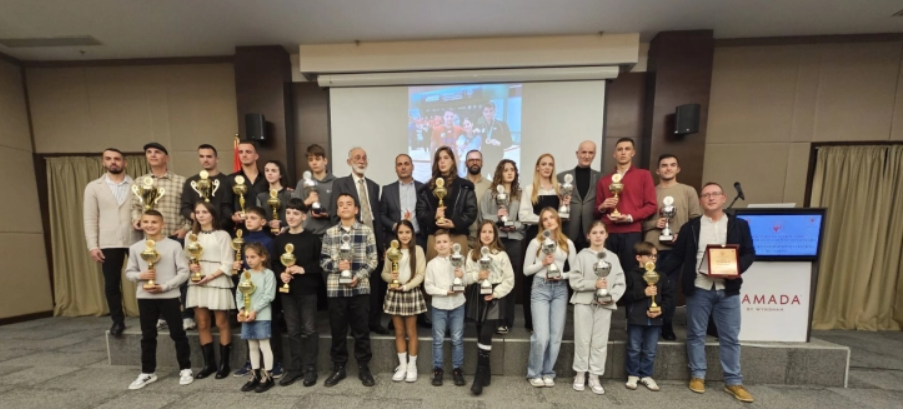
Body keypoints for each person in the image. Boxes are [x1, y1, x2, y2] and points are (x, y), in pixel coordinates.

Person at [659, 182, 756, 403]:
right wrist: (656, 273)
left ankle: (733, 381)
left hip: (728, 289)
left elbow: (749, 253)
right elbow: (677, 256)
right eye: (706, 195)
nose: (711, 198)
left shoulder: (739, 225)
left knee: (730, 337)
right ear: (701, 201)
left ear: (723, 198)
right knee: (696, 333)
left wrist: (735, 269)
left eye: (715, 194)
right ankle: (697, 375)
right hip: (699, 288)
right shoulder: (690, 227)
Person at [124, 210, 193, 389]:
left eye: (154, 222)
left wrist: (165, 286)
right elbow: (129, 272)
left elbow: (184, 272)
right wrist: (141, 275)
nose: (150, 225)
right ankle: (148, 372)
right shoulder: (135, 248)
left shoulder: (174, 246)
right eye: (146, 222)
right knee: (148, 335)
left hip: (169, 296)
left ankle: (185, 368)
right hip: (145, 297)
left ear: (163, 224)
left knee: (177, 333)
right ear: (141, 224)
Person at [131, 142, 192, 331]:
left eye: (157, 152)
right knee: (155, 274)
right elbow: (135, 207)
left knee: (181, 276)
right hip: (150, 241)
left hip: (174, 235)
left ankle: (186, 315)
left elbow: (187, 207)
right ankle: (161, 316)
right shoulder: (139, 182)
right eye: (149, 152)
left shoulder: (181, 182)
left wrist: (186, 228)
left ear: (167, 157)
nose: (153, 155)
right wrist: (136, 219)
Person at [319, 193, 379, 387]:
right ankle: (338, 367)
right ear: (337, 210)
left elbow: (373, 260)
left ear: (356, 209)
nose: (345, 207)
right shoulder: (330, 233)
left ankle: (364, 367)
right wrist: (338, 266)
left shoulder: (366, 231)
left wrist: (358, 276)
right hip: (336, 290)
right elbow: (323, 261)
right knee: (338, 331)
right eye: (341, 204)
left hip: (360, 288)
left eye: (349, 204)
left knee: (361, 330)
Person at [643, 154, 702, 340]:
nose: (668, 168)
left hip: (675, 249)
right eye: (664, 165)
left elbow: (696, 219)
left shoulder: (688, 191)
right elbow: (640, 222)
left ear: (678, 169)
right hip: (652, 247)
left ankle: (666, 324)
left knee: (669, 287)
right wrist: (655, 223)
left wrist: (681, 236)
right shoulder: (649, 192)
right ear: (657, 170)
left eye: (672, 165)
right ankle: (647, 323)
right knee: (650, 285)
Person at [83, 148, 140, 336]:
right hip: (108, 241)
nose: (113, 162)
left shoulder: (137, 185)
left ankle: (153, 317)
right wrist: (93, 245)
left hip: (136, 239)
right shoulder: (93, 187)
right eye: (108, 159)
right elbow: (90, 218)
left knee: (145, 279)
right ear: (103, 162)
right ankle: (117, 321)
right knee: (112, 283)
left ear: (125, 163)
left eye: (117, 159)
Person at [331, 147, 388, 335]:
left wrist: (381, 244)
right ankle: (355, 326)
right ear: (349, 162)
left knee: (374, 285)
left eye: (364, 157)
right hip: (350, 241)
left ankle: (374, 322)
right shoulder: (340, 183)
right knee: (353, 285)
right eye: (357, 157)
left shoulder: (373, 186)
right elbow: (334, 214)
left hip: (372, 240)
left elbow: (376, 217)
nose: (361, 160)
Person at [569, 220, 625, 395]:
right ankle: (580, 373)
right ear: (588, 236)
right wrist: (593, 284)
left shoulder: (613, 257)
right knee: (583, 339)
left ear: (607, 235)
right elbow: (574, 280)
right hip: (583, 302)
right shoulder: (582, 256)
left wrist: (611, 297)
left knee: (600, 341)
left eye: (601, 232)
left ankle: (595, 375)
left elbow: (620, 282)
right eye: (594, 233)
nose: (598, 236)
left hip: (604, 304)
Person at [523, 208, 578, 388]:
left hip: (560, 290)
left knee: (555, 336)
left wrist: (562, 276)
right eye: (545, 219)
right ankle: (534, 373)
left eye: (551, 217)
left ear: (558, 219)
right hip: (540, 288)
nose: (549, 221)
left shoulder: (567, 243)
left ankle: (548, 372)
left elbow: (576, 271)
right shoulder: (535, 242)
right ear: (541, 223)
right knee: (541, 336)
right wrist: (543, 263)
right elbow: (526, 270)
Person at [185, 201, 236, 380]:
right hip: (197, 281)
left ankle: (224, 364)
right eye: (198, 212)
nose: (200, 215)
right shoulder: (190, 235)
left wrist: (210, 276)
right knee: (202, 323)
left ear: (212, 214)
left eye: (204, 212)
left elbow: (228, 262)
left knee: (221, 322)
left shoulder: (222, 235)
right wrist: (191, 266)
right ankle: (209, 364)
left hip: (217, 280)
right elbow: (186, 259)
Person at [275, 198, 323, 387]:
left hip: (307, 291)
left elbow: (321, 264)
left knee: (310, 329)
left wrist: (303, 269)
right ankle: (295, 368)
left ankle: (311, 368)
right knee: (293, 330)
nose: (291, 217)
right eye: (288, 213)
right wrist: (281, 274)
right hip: (287, 292)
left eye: (296, 213)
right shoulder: (280, 239)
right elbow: (274, 262)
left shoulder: (312, 239)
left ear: (304, 217)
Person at [464, 221, 514, 395]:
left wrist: (496, 293)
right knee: (480, 334)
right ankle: (487, 370)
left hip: (494, 296)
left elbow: (509, 280)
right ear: (479, 234)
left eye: (490, 232)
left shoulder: (501, 255)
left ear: (495, 235)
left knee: (486, 333)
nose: (486, 235)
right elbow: (466, 277)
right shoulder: (472, 254)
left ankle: (479, 376)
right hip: (478, 293)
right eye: (483, 232)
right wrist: (477, 275)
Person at [231, 207, 282, 379]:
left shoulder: (269, 240)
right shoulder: (241, 239)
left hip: (264, 291)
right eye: (247, 218)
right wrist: (236, 265)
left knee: (269, 330)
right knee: (251, 335)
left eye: (253, 218)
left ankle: (273, 365)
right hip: (247, 287)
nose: (249, 220)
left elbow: (272, 264)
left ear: (263, 221)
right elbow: (239, 261)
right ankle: (251, 365)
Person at [594, 137, 658, 275]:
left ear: (633, 153)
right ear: (614, 154)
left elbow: (652, 205)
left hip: (632, 231)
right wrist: (602, 207)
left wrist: (629, 217)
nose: (623, 152)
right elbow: (596, 211)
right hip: (608, 232)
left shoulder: (644, 175)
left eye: (627, 149)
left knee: (631, 272)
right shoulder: (604, 181)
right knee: (605, 270)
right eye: (620, 149)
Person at [518, 153, 567, 331]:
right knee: (532, 276)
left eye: (550, 164)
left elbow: (564, 215)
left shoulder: (560, 189)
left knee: (554, 272)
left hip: (555, 235)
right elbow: (523, 215)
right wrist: (545, 219)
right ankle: (532, 322)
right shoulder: (530, 188)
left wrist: (564, 208)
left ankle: (551, 321)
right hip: (536, 235)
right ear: (537, 167)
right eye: (543, 164)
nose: (547, 167)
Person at [479, 159, 525, 334]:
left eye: (512, 169)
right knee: (493, 279)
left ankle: (506, 321)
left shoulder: (520, 195)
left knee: (509, 281)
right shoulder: (490, 194)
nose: (509, 172)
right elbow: (483, 216)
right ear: (500, 172)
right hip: (495, 241)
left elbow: (524, 220)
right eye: (506, 170)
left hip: (513, 241)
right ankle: (491, 319)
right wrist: (498, 219)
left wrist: (515, 226)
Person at [619, 241, 672, 392]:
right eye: (649, 255)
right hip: (636, 318)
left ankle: (646, 374)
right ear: (638, 257)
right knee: (634, 348)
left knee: (650, 350)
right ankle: (633, 374)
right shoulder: (631, 275)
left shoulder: (661, 276)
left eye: (655, 256)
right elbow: (625, 297)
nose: (653, 258)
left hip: (655, 319)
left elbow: (669, 297)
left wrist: (661, 310)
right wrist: (644, 293)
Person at [381, 220, 428, 383]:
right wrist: (391, 278)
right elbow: (384, 273)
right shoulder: (391, 251)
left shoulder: (418, 250)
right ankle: (402, 365)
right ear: (396, 234)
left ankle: (412, 366)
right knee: (399, 331)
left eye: (407, 232)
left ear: (412, 233)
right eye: (401, 232)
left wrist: (406, 286)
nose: (404, 235)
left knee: (411, 331)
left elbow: (421, 274)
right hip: (394, 293)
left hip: (411, 292)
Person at [416, 146, 478, 260]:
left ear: (452, 161)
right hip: (435, 238)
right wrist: (434, 215)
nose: (442, 161)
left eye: (446, 158)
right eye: (439, 159)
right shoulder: (425, 189)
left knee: (458, 271)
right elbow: (420, 213)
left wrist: (454, 223)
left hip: (458, 237)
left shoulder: (465, 187)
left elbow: (471, 211)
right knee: (434, 270)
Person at [423, 230, 467, 387]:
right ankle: (438, 370)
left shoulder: (459, 259)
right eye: (439, 242)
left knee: (457, 338)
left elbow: (466, 282)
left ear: (451, 244)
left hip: (458, 304)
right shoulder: (431, 264)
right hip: (439, 306)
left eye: (445, 241)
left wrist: (461, 276)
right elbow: (428, 287)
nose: (442, 245)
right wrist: (445, 292)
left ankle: (457, 369)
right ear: (434, 246)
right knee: (438, 339)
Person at [236, 243, 277, 393]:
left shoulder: (268, 274)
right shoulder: (245, 274)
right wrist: (241, 309)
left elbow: (269, 295)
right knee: (252, 346)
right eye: (247, 257)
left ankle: (268, 376)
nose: (249, 260)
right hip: (247, 316)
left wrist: (255, 310)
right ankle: (255, 374)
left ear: (263, 257)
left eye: (253, 257)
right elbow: (239, 293)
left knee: (264, 345)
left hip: (262, 315)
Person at [558, 141, 602, 252]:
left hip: (591, 231)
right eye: (583, 152)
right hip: (568, 230)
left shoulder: (601, 178)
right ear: (577, 154)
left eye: (590, 153)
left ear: (594, 155)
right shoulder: (561, 177)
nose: (587, 156)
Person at [180, 144, 234, 231]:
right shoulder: (191, 181)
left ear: (217, 159)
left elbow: (229, 206)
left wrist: (218, 225)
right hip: (199, 230)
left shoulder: (227, 181)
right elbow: (185, 207)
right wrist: (198, 218)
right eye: (202, 156)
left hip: (224, 229)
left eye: (209, 156)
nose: (205, 160)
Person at [380, 154, 426, 250]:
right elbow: (382, 215)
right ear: (395, 169)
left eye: (406, 164)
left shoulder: (423, 188)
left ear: (412, 167)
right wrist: (394, 226)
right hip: (395, 239)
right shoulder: (387, 190)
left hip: (418, 238)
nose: (403, 167)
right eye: (399, 164)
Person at [294, 144, 337, 237]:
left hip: (330, 233)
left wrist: (327, 214)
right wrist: (307, 202)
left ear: (325, 161)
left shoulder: (336, 183)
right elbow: (293, 209)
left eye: (317, 159)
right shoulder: (302, 183)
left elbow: (340, 209)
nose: (314, 163)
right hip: (307, 233)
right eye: (310, 160)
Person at [230, 140, 269, 233]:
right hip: (241, 228)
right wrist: (232, 215)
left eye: (248, 152)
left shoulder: (267, 178)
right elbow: (225, 204)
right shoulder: (230, 179)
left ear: (256, 156)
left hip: (266, 228)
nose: (244, 155)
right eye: (241, 152)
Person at [462, 150, 492, 249]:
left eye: (477, 160)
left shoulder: (490, 186)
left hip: (485, 239)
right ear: (466, 163)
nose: (474, 162)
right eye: (471, 160)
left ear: (482, 163)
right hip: (464, 238)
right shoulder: (459, 185)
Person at [256, 160, 293, 236]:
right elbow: (258, 218)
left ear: (280, 174)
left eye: (273, 170)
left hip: (288, 234)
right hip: (266, 235)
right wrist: (268, 223)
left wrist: (286, 228)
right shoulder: (261, 196)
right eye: (267, 170)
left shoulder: (290, 194)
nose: (269, 173)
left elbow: (297, 216)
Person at [474, 102, 512, 174]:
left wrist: (500, 143)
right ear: (483, 113)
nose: (488, 114)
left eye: (491, 111)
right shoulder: (479, 126)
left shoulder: (502, 125)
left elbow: (509, 142)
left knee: (496, 179)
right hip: (484, 159)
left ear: (494, 111)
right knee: (482, 179)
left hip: (496, 159)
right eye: (486, 111)